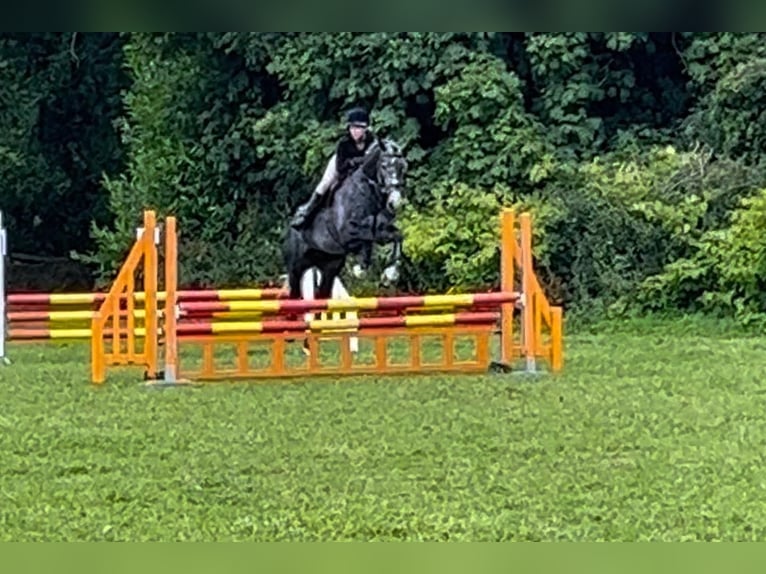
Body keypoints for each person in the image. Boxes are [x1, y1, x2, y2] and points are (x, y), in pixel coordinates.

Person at [290, 106, 378, 229]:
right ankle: (306, 212)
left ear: (366, 129)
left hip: (362, 171)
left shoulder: (372, 141)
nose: (355, 131)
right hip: (341, 165)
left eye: (358, 128)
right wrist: (355, 162)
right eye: (352, 127)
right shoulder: (344, 143)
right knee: (325, 183)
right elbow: (341, 167)